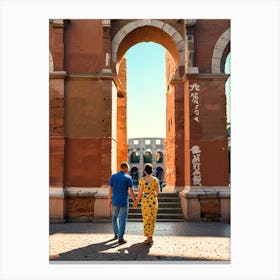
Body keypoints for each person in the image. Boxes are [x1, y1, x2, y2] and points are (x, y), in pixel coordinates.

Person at [108, 162, 136, 244]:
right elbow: (131, 190)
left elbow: (110, 189)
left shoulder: (113, 176)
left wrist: (109, 200)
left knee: (114, 218)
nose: (128, 170)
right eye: (128, 168)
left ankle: (116, 234)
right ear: (125, 168)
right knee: (122, 219)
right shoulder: (128, 177)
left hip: (115, 201)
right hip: (124, 201)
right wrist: (134, 199)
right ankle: (121, 237)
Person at [133, 163, 159, 245]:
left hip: (145, 201)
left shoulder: (142, 180)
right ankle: (151, 237)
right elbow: (157, 192)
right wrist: (152, 193)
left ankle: (148, 237)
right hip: (153, 201)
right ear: (152, 171)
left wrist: (136, 201)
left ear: (144, 171)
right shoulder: (156, 180)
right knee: (152, 219)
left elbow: (140, 193)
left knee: (146, 218)